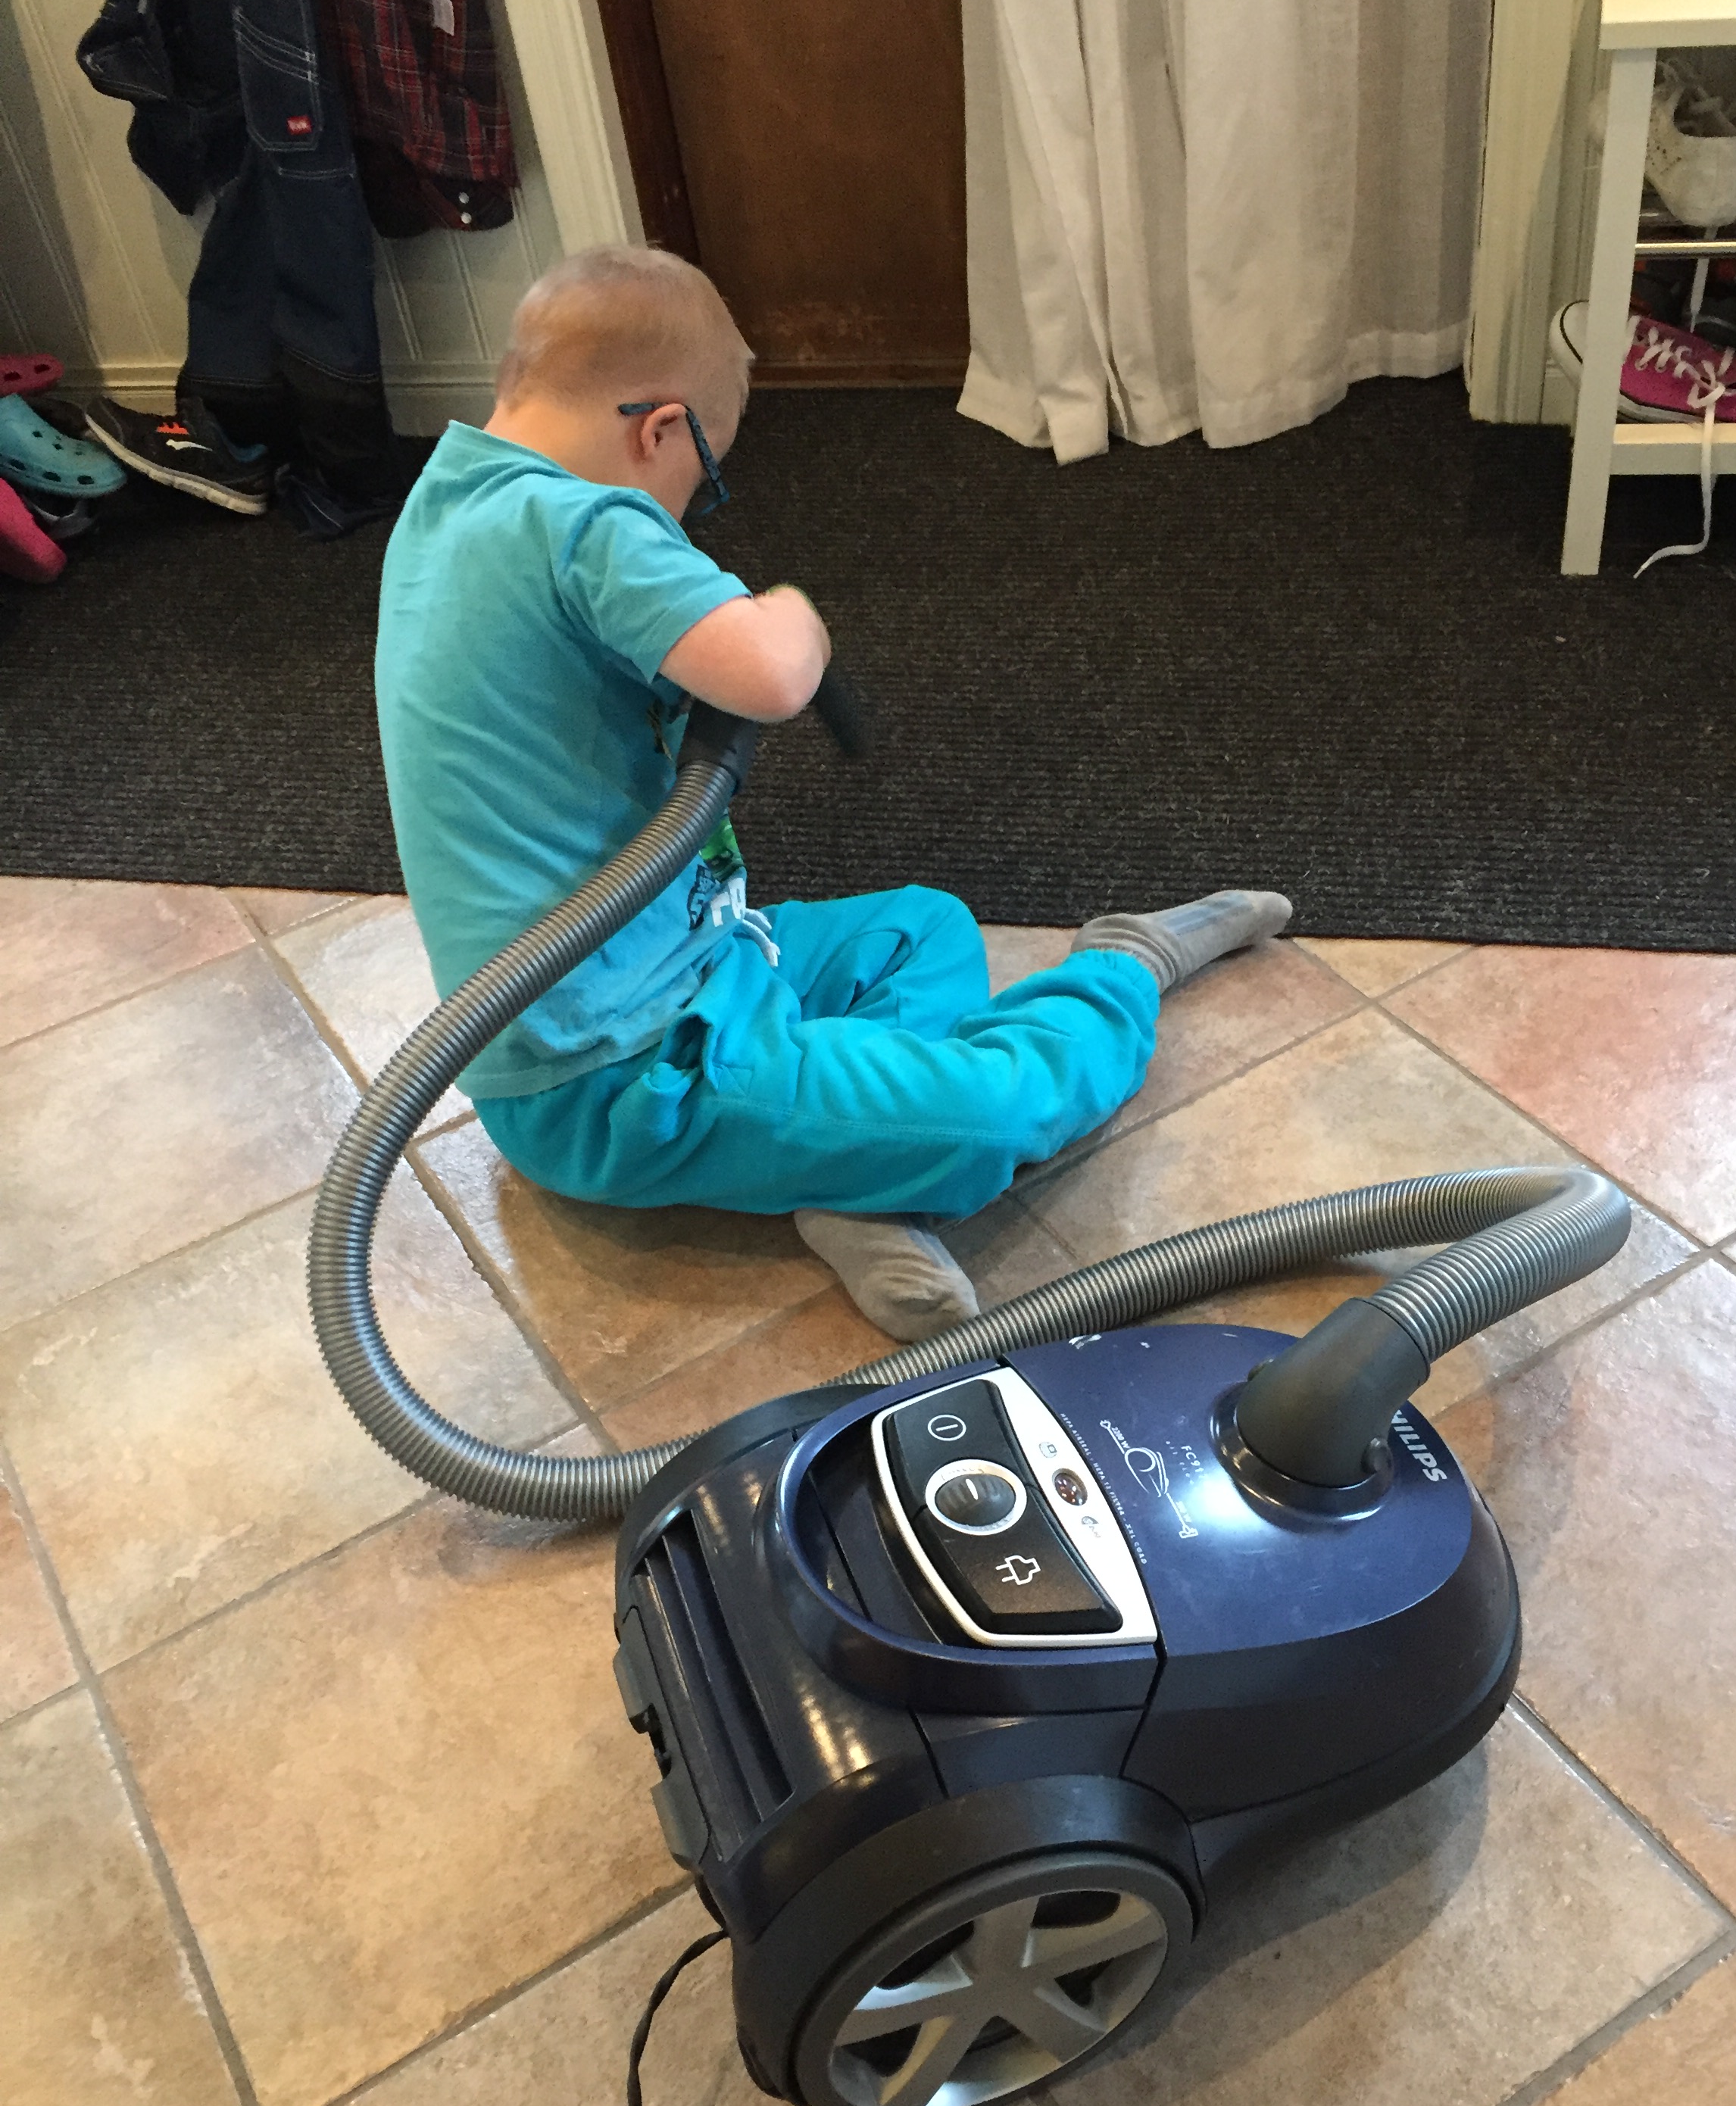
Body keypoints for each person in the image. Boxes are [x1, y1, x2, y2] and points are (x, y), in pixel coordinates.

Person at [376, 247, 1290, 1340]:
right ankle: (1123, 966)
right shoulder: (586, 524)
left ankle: (854, 1177)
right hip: (620, 1074)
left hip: (698, 962)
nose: (690, 512)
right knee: (996, 1112)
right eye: (705, 478)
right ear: (660, 431)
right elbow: (770, 676)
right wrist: (792, 612)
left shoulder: (449, 504)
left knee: (923, 925)